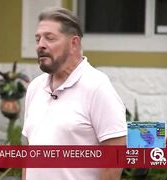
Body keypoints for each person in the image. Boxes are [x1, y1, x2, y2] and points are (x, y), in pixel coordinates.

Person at [22, 7, 127, 180]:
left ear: (74, 43)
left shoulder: (97, 87)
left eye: (49, 38)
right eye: (38, 38)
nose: (40, 44)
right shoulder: (35, 87)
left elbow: (113, 161)